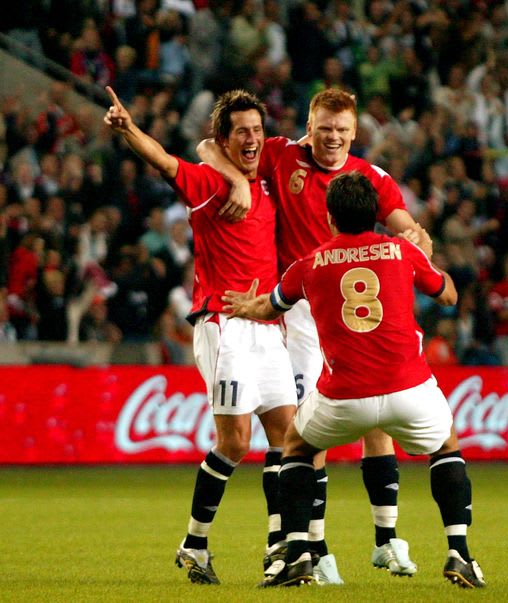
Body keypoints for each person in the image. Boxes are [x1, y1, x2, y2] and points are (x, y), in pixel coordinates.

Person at [198, 88, 425, 582]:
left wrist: (415, 237)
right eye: (325, 129)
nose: (333, 138)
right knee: (310, 429)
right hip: (301, 313)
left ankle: (386, 539)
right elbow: (208, 147)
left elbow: (409, 229)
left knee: (378, 419)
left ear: (355, 131)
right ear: (309, 127)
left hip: (356, 315)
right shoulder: (281, 155)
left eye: (342, 130)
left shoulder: (370, 177)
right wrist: (235, 180)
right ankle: (316, 549)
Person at [223, 171, 486, 589]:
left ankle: (298, 555)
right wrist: (427, 256)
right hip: (408, 389)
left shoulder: (308, 264)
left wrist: (243, 306)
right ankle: (460, 554)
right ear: (375, 216)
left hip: (343, 397)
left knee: (296, 446)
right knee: (446, 445)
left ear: (329, 218)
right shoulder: (402, 251)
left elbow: (270, 308)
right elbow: (449, 296)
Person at [103, 86, 298, 585]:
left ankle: (278, 549)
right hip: (223, 324)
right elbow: (166, 161)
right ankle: (195, 542)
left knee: (287, 436)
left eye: (257, 130)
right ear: (226, 140)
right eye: (242, 132)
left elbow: (214, 146)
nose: (252, 139)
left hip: (268, 325)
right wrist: (129, 130)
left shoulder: (269, 181)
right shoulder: (210, 183)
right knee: (235, 442)